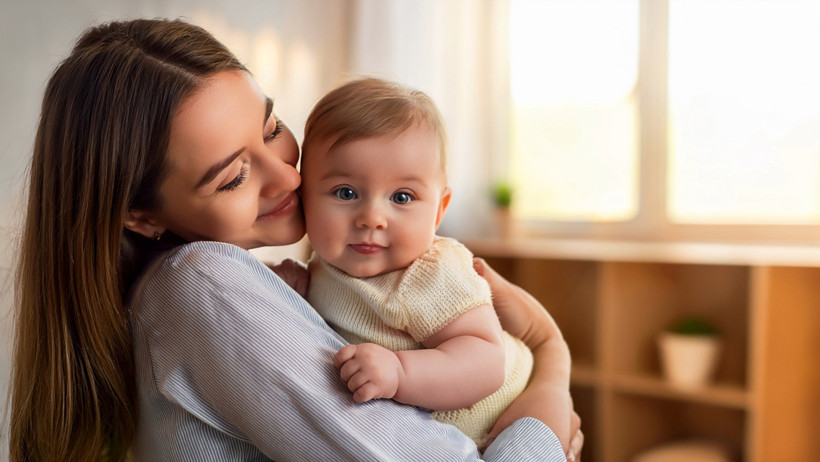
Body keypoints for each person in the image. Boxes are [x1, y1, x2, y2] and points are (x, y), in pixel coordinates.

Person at [9, 18, 583, 462]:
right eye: (233, 175)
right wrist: (550, 383)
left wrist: (295, 300)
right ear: (141, 216)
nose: (289, 176)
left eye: (272, 128)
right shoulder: (201, 284)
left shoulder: (191, 291)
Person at [298, 78, 571, 450]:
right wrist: (292, 284)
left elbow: (485, 360)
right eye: (346, 193)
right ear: (304, 195)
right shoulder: (326, 262)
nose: (371, 217)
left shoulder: (429, 271)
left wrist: (399, 371)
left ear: (439, 210)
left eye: (402, 196)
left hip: (506, 416)